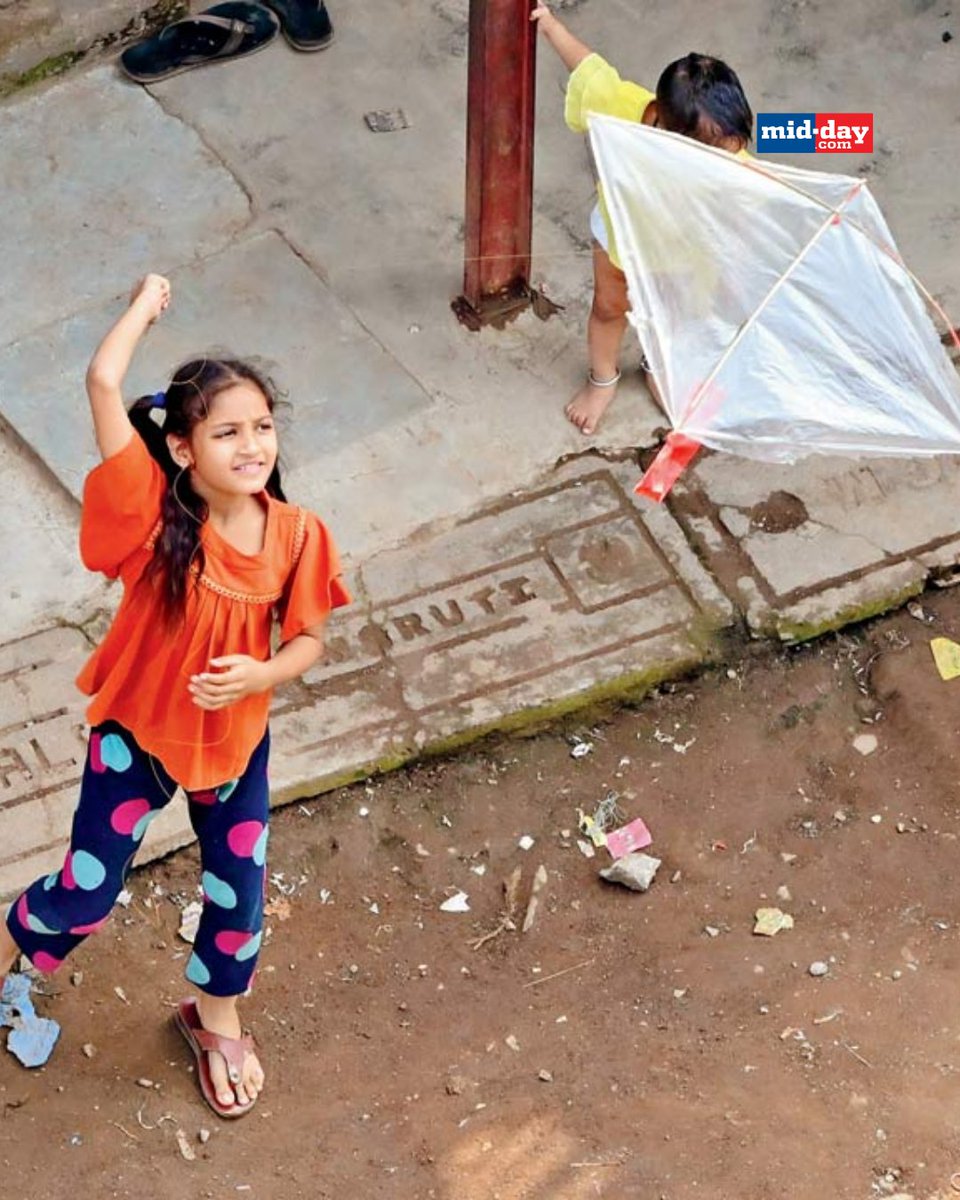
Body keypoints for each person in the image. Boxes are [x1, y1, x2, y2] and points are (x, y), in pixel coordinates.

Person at [0, 274, 350, 1118]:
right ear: (185, 450)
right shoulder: (148, 519)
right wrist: (142, 309)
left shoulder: (299, 535)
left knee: (239, 894)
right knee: (87, 887)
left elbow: (309, 640)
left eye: (262, 427)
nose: (252, 444)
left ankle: (215, 1014)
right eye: (227, 431)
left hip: (233, 749)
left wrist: (261, 676)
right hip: (133, 740)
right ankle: (16, 955)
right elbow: (101, 384)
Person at [531, 5, 753, 435]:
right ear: (665, 125)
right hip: (619, 242)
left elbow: (760, 193)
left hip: (686, 255)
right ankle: (601, 380)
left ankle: (658, 368)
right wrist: (552, 25)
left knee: (675, 314)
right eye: (715, 148)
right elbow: (589, 70)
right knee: (609, 309)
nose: (726, 156)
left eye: (733, 143)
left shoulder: (732, 155)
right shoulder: (623, 109)